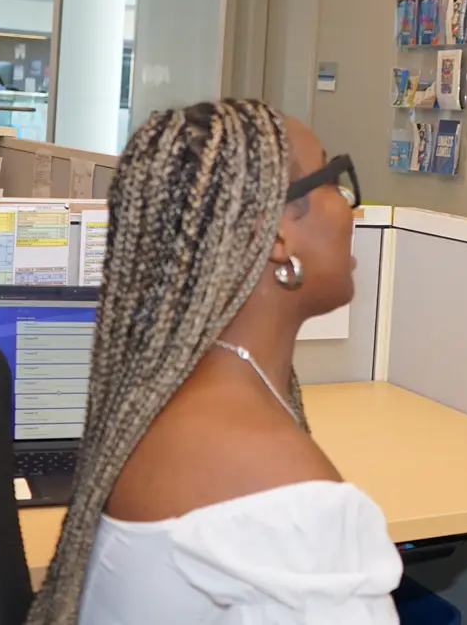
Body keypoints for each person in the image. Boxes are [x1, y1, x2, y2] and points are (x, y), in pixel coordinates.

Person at [26, 99, 401, 624]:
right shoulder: (283, 494)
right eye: (333, 180)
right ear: (274, 237)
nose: (350, 207)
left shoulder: (161, 401)